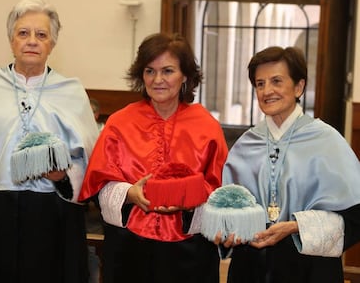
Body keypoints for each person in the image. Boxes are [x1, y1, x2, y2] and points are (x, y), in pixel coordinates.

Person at [0, 0, 99, 283]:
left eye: (41, 35)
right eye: (23, 33)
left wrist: (62, 177)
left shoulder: (72, 93)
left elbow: (90, 164)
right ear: (11, 40)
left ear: (52, 43)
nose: (32, 41)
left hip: (54, 217)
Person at [79, 32, 229, 283]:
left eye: (168, 71)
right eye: (150, 71)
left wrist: (188, 197)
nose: (158, 80)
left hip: (189, 252)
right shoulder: (119, 122)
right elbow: (98, 183)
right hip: (129, 249)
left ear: (185, 76)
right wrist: (130, 193)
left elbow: (221, 190)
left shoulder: (207, 126)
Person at [215, 46, 360, 283]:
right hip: (252, 268)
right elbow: (228, 212)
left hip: (310, 268)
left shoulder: (327, 141)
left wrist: (295, 226)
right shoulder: (246, 145)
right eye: (260, 84)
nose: (266, 91)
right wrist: (229, 229)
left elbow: (354, 217)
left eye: (276, 81)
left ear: (299, 87)